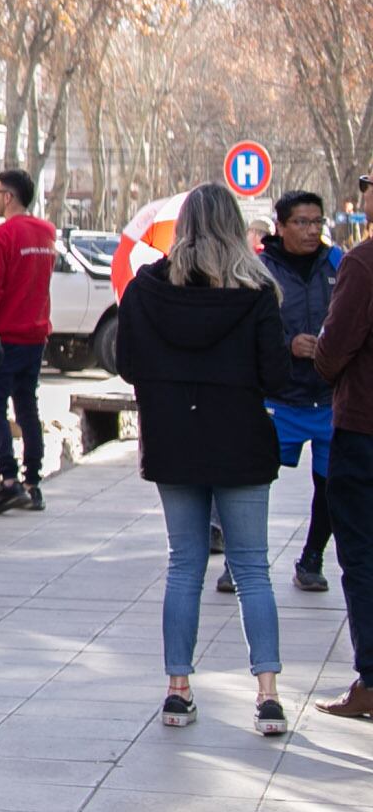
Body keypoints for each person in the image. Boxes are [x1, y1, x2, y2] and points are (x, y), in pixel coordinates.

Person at [116, 184, 292, 736]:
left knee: (185, 564)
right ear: (236, 225)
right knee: (253, 568)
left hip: (173, 441)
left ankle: (177, 690)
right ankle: (266, 696)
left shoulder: (146, 287)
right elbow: (277, 377)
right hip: (239, 438)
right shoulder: (257, 291)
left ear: (184, 226)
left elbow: (126, 363)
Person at [302, 214, 373, 721]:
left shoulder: (364, 264)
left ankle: (371, 681)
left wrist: (321, 350)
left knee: (364, 559)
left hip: (365, 430)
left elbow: (330, 355)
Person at [253, 192, 341, 593]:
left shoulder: (338, 264)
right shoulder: (260, 270)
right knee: (252, 481)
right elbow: (249, 330)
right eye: (302, 223)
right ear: (281, 226)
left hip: (328, 397)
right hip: (278, 398)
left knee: (331, 486)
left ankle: (312, 558)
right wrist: (288, 344)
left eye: (317, 222)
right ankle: (244, 560)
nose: (311, 231)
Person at [0, 167, 58, 514]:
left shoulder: (1, 237)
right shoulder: (47, 233)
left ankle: (8, 480)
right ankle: (33, 483)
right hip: (36, 333)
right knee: (27, 407)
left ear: (8, 197)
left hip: (4, 335)